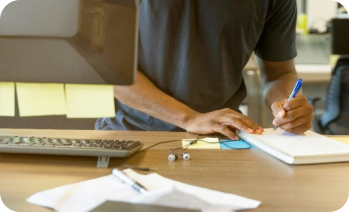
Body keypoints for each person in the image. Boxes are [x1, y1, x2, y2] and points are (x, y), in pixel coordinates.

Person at [95, 0, 314, 140]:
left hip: (221, 140)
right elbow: (108, 66)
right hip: (133, 137)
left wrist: (289, 107)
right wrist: (189, 118)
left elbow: (279, 74)